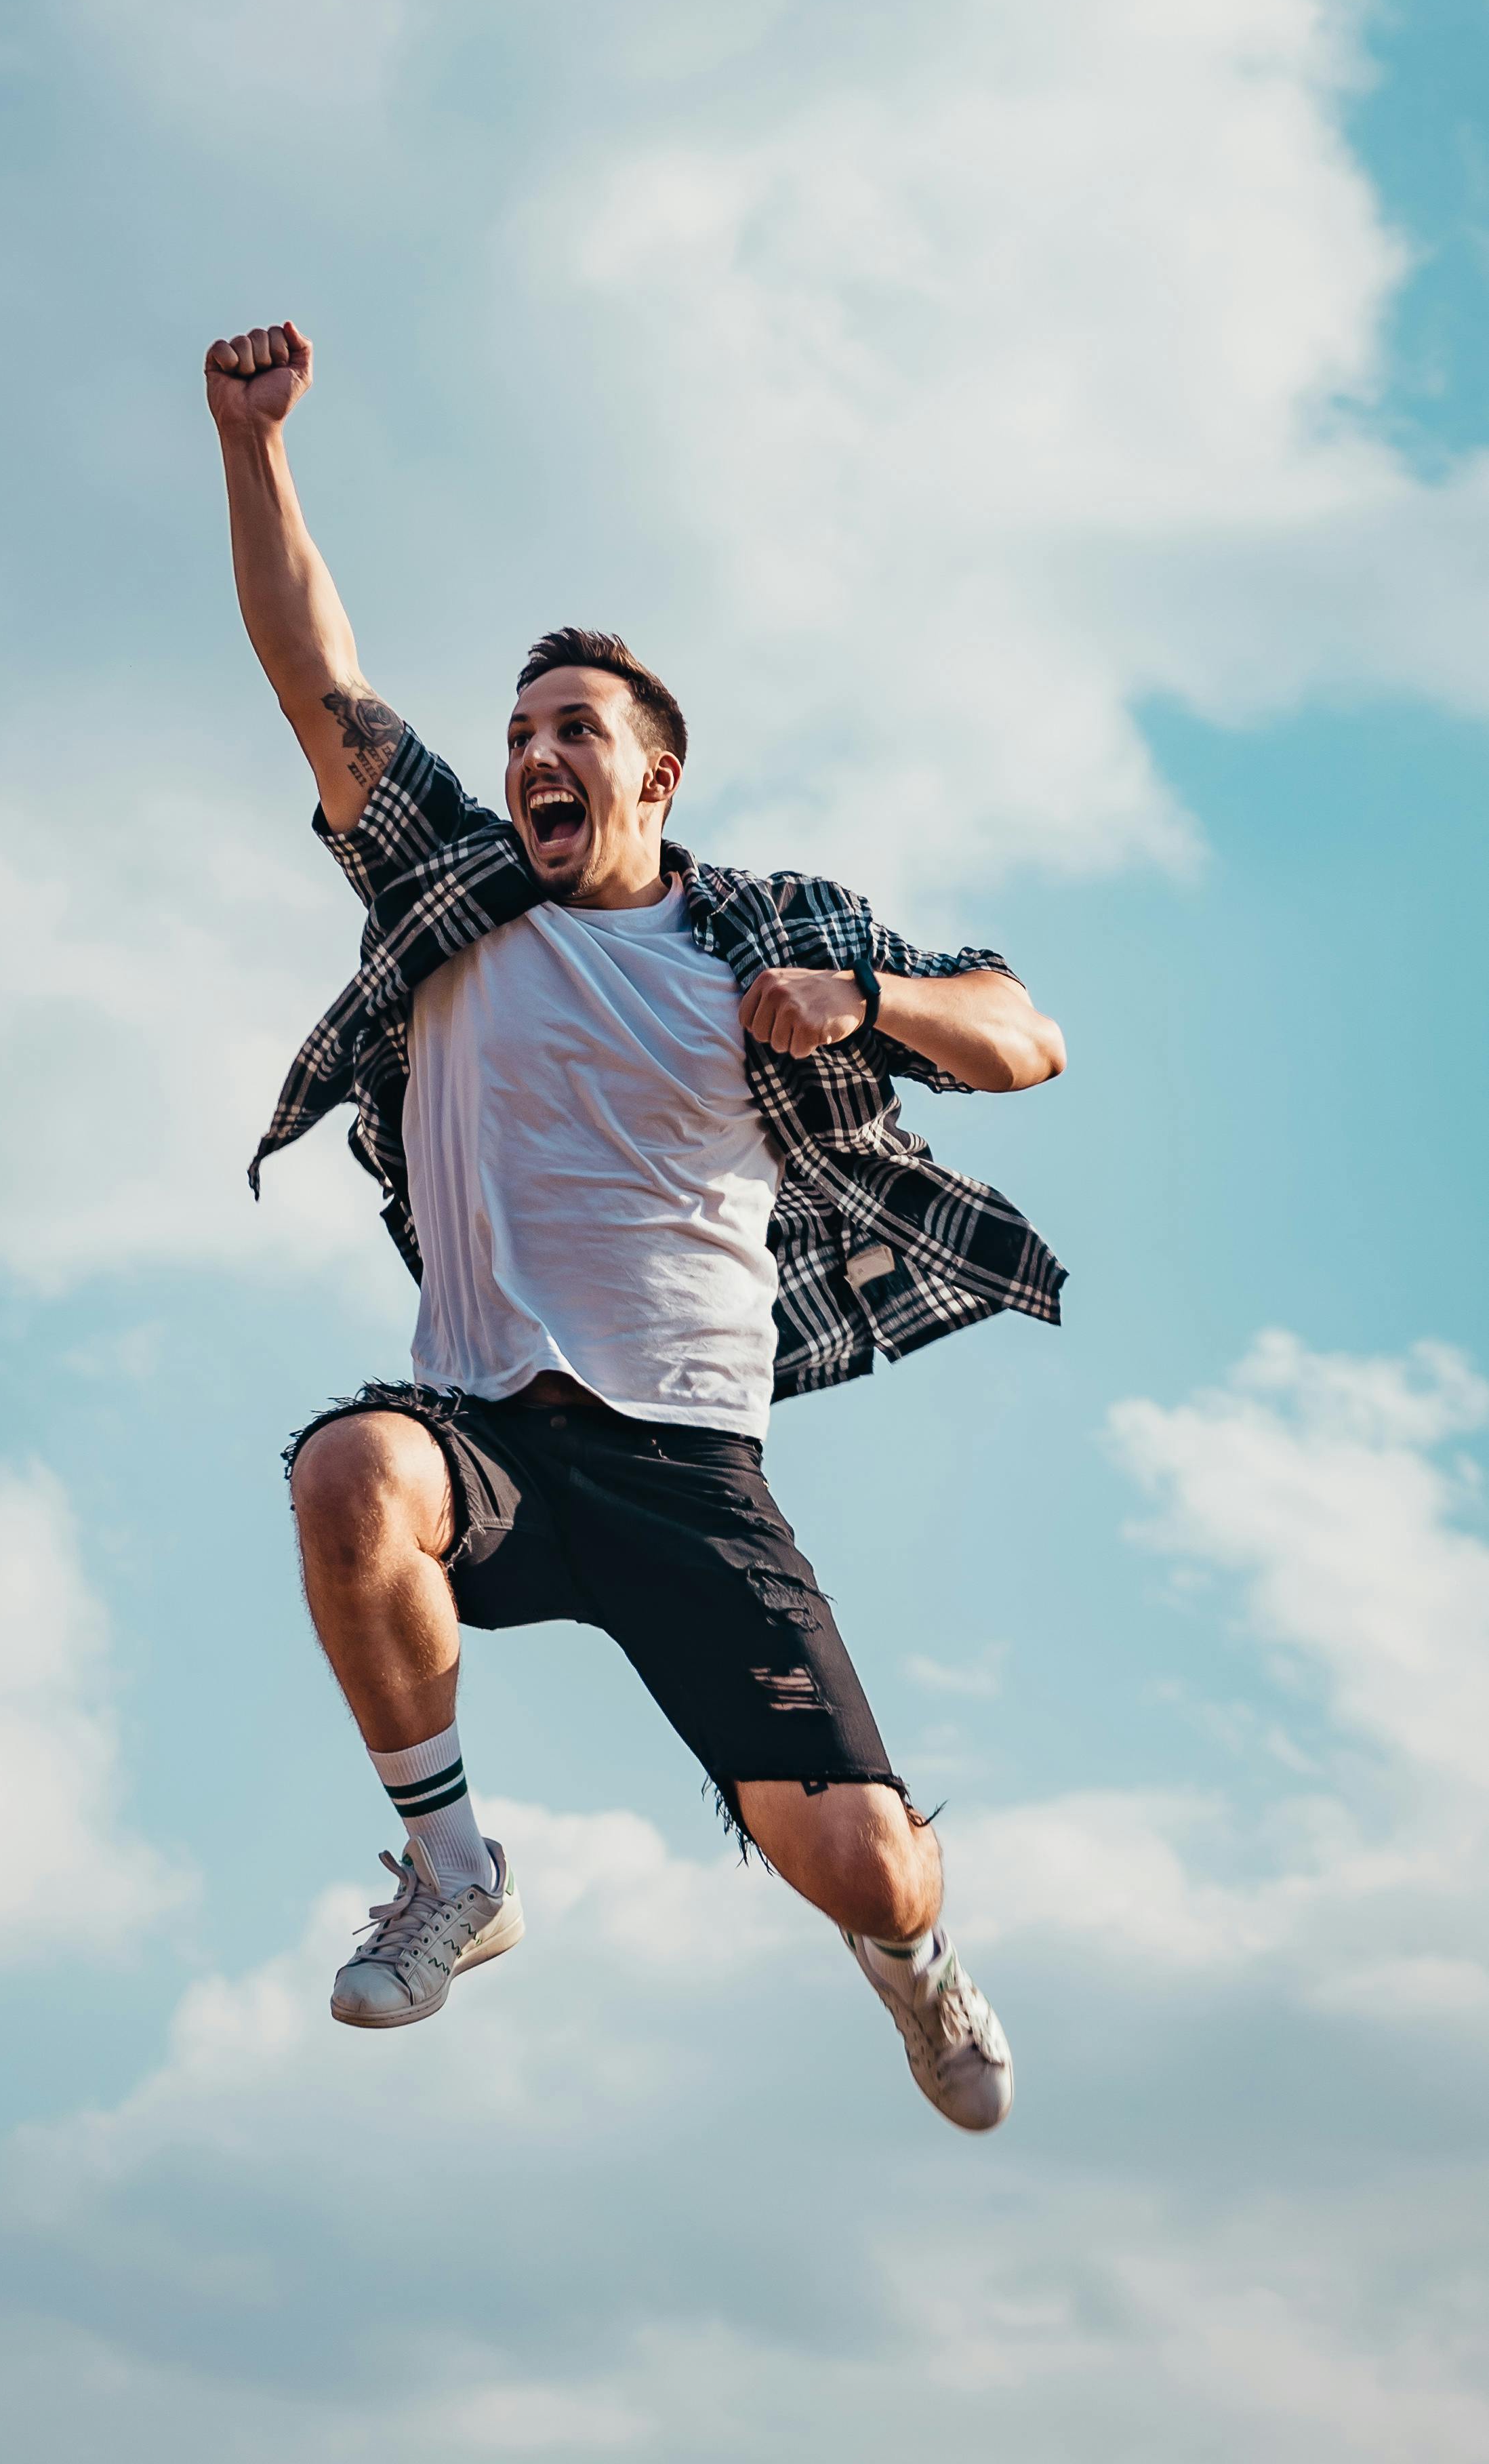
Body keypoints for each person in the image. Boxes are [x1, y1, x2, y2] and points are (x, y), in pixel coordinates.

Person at [208, 317, 1067, 2130]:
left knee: (867, 1866)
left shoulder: (759, 927)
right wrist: (254, 444)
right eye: (519, 729)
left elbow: (1023, 1033)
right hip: (487, 1433)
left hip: (690, 1470)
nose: (533, 752)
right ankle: (453, 1874)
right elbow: (314, 678)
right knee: (351, 1472)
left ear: (653, 777)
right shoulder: (451, 882)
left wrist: (866, 1000)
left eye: (572, 731)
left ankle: (909, 1962)